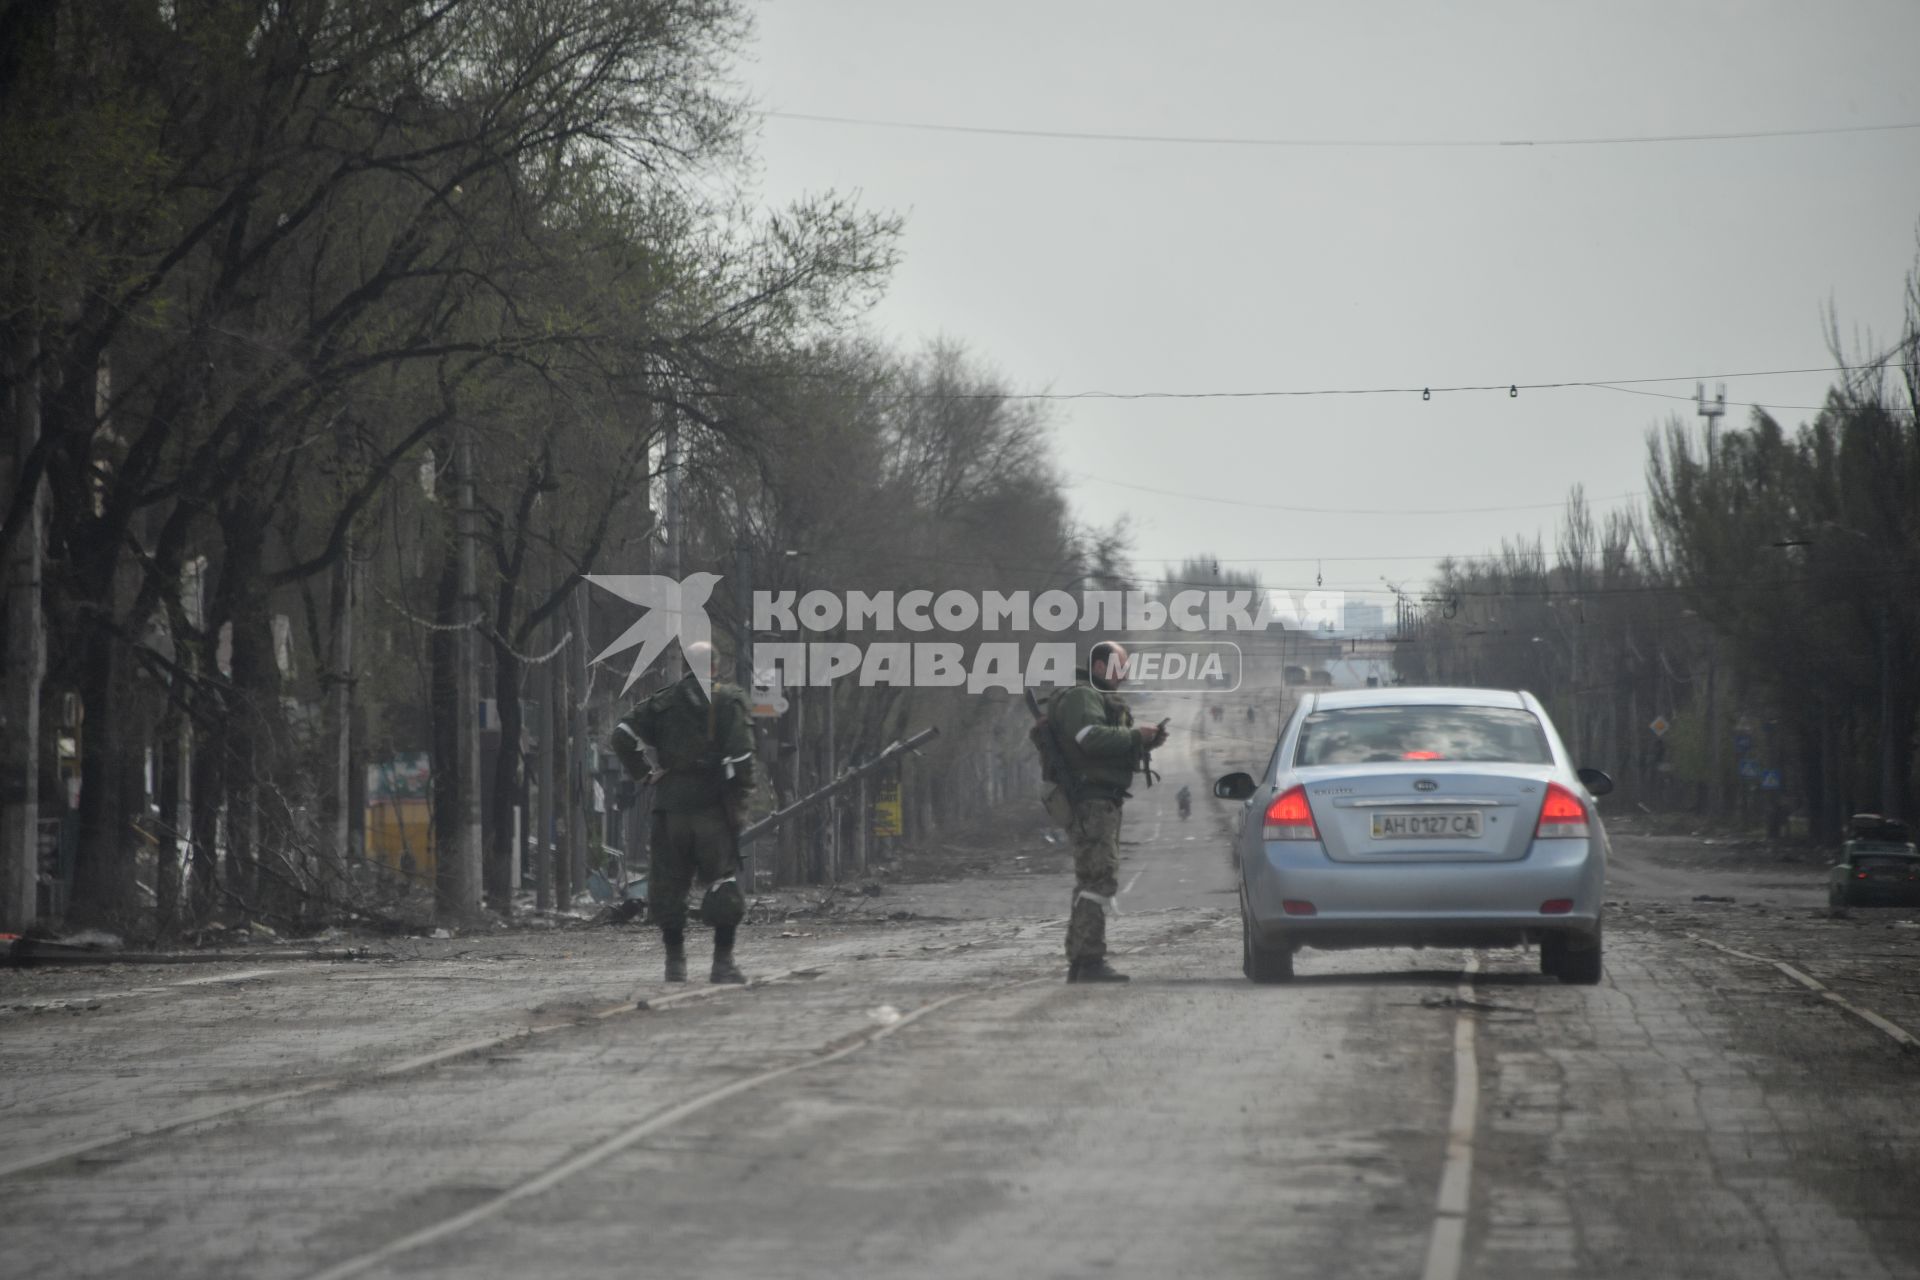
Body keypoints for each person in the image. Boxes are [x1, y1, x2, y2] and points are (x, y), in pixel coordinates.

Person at [611, 641, 757, 984]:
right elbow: (741, 757)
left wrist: (644, 773)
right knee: (723, 880)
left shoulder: (663, 701)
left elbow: (621, 736)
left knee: (668, 884)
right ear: (716, 667)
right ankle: (722, 963)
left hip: (670, 807)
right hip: (713, 809)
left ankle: (674, 963)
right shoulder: (729, 700)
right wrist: (740, 798)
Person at [1043, 640, 1168, 983]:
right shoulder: (1083, 696)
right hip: (1092, 802)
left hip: (1100, 800)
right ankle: (1089, 960)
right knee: (1098, 879)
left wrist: (1145, 740)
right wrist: (1133, 735)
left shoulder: (1090, 696)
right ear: (1099, 667)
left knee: (1093, 878)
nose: (1124, 676)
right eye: (1119, 667)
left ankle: (1081, 961)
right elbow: (1090, 737)